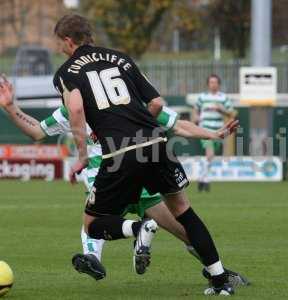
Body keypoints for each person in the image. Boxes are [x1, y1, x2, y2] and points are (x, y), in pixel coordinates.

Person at [0, 76, 248, 287]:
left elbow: (36, 131)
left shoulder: (74, 109)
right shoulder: (130, 104)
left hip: (109, 182)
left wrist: (11, 108)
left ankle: (115, 243)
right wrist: (213, 134)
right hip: (141, 181)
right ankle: (219, 272)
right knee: (185, 231)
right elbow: (177, 125)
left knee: (93, 223)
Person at [53, 14, 238, 295]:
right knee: (184, 211)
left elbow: (76, 111)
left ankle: (139, 228)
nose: (59, 49)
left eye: (59, 44)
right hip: (155, 142)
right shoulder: (122, 58)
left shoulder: (66, 73)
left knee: (92, 225)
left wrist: (81, 155)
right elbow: (156, 102)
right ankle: (220, 279)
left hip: (121, 151)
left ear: (68, 41)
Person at [192, 74, 236, 192]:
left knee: (210, 157)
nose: (213, 84)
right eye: (211, 82)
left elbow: (232, 114)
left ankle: (202, 177)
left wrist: (221, 109)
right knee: (210, 154)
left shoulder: (223, 98)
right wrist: (195, 118)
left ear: (219, 84)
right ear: (208, 84)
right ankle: (206, 181)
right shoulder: (202, 97)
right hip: (205, 130)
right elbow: (195, 111)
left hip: (218, 131)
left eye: (215, 82)